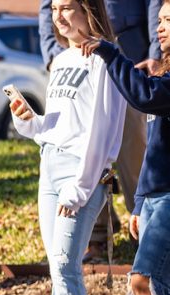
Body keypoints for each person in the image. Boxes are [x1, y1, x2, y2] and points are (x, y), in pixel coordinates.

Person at [12, 0, 126, 295]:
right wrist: (29, 121)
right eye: (55, 7)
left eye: (68, 7)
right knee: (62, 272)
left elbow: (102, 130)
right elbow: (55, 127)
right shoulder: (60, 61)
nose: (59, 16)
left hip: (83, 174)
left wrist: (82, 186)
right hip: (50, 167)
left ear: (89, 9)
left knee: (64, 267)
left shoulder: (106, 60)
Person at [82, 0, 170, 295]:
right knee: (159, 288)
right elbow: (155, 151)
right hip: (155, 198)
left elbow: (143, 97)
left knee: (144, 280)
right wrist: (138, 203)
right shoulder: (163, 74)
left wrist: (109, 51)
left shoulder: (163, 84)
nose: (162, 27)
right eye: (161, 20)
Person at [40, 0, 163, 260]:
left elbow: (155, 4)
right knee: (82, 147)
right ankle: (96, 239)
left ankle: (144, 228)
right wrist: (53, 53)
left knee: (131, 152)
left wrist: (155, 52)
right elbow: (48, 7)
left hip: (131, 58)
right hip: (77, 58)